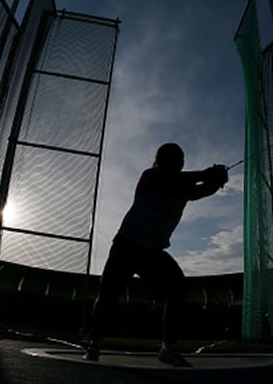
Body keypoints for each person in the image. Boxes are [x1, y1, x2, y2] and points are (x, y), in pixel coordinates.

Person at [83, 142, 228, 366]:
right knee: (108, 295)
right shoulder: (150, 177)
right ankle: (94, 344)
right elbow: (173, 179)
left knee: (178, 288)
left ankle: (168, 349)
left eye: (180, 160)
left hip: (152, 252)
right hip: (127, 246)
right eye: (174, 159)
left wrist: (217, 179)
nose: (178, 164)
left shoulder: (183, 188)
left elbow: (202, 190)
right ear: (161, 161)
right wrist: (205, 173)